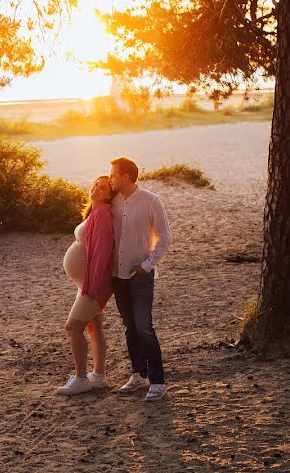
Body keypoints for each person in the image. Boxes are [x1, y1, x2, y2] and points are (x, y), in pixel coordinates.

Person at [109, 156, 172, 401]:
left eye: (114, 174)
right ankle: (138, 374)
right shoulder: (112, 202)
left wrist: (147, 266)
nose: (111, 177)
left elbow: (165, 238)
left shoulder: (151, 201)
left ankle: (158, 382)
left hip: (140, 276)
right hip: (117, 275)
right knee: (130, 327)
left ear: (126, 176)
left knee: (144, 327)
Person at [57, 175, 116, 396]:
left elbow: (102, 254)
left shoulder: (102, 214)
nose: (97, 189)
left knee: (72, 328)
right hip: (86, 282)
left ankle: (81, 379)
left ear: (110, 196)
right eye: (96, 185)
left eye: (103, 188)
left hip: (92, 284)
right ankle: (97, 376)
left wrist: (91, 286)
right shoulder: (96, 211)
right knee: (94, 327)